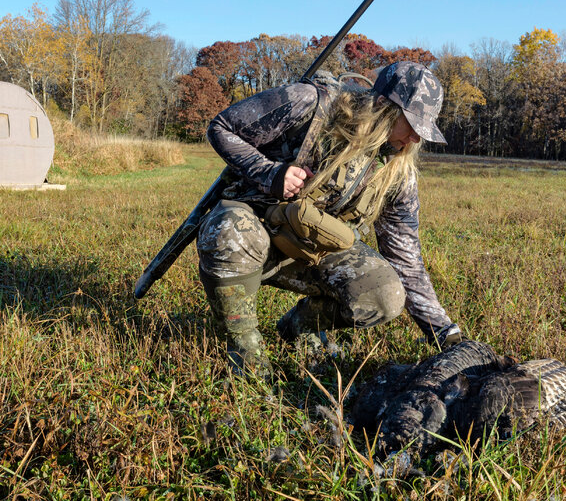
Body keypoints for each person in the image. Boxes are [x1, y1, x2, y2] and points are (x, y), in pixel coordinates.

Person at [197, 61, 464, 374]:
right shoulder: (310, 103)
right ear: (383, 106)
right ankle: (246, 358)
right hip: (253, 233)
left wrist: (444, 331)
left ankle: (298, 327)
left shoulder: (398, 172)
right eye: (413, 124)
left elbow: (406, 259)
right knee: (229, 230)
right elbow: (222, 127)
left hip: (310, 252)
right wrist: (270, 173)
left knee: (386, 295)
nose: (416, 138)